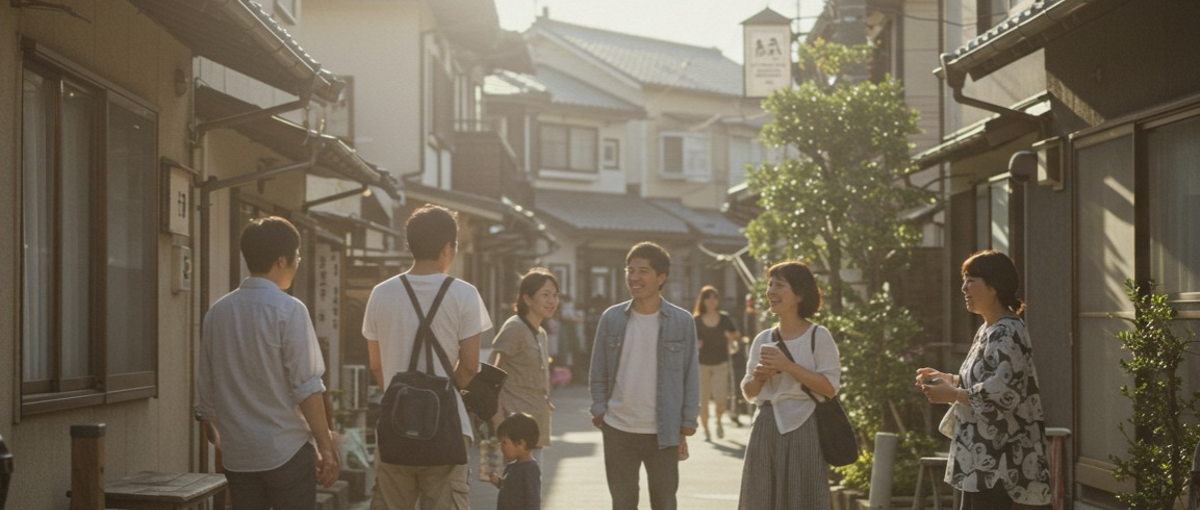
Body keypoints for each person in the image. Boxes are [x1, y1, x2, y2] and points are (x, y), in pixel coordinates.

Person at [196, 216, 340, 510]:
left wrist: (221, 440)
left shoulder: (218, 312)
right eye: (297, 256)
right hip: (285, 449)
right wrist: (326, 447)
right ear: (281, 260)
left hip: (239, 454)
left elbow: (206, 392)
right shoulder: (289, 310)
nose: (298, 263)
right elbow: (308, 387)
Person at [362, 204, 493, 509]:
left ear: (411, 244)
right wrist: (444, 395)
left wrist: (404, 399)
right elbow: (471, 366)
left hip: (395, 426)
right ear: (448, 247)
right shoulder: (464, 294)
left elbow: (376, 364)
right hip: (448, 429)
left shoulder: (381, 293)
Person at [916, 250, 1051, 510]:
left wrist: (953, 394)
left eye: (971, 280)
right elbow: (986, 382)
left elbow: (1003, 395)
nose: (963, 287)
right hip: (984, 460)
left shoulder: (1007, 332)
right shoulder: (989, 329)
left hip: (1001, 462)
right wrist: (950, 380)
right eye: (964, 279)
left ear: (994, 287)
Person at [589, 241, 699, 510]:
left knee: (664, 502)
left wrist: (687, 422)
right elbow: (598, 370)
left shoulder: (682, 321)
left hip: (663, 431)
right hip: (618, 428)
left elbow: (690, 374)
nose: (634, 277)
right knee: (623, 503)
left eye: (643, 271)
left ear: (661, 277)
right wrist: (600, 409)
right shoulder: (612, 318)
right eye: (630, 270)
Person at [737, 261, 840, 510]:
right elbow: (748, 392)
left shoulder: (819, 336)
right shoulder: (763, 338)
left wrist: (788, 366)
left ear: (800, 294)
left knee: (802, 498)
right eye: (770, 285)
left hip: (804, 424)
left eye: (780, 285)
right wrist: (760, 378)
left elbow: (829, 388)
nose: (771, 291)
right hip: (766, 425)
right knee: (760, 498)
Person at [489, 268, 560, 455]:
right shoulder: (514, 328)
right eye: (545, 295)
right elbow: (489, 380)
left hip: (535, 429)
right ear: (527, 299)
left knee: (531, 483)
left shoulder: (541, 333)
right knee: (519, 483)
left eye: (555, 295)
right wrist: (499, 427)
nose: (552, 301)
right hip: (514, 434)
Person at [692, 285, 740, 441]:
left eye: (714, 297)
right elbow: (689, 340)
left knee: (721, 398)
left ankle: (719, 422)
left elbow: (736, 334)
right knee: (703, 400)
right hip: (702, 364)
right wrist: (696, 344)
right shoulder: (697, 320)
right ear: (703, 300)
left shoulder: (724, 318)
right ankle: (706, 429)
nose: (712, 301)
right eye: (708, 297)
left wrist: (730, 336)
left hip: (721, 363)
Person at [490, 413, 542, 510]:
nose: (501, 446)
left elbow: (533, 500)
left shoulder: (530, 469)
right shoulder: (511, 466)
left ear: (521, 443)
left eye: (504, 442)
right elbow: (513, 490)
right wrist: (499, 483)